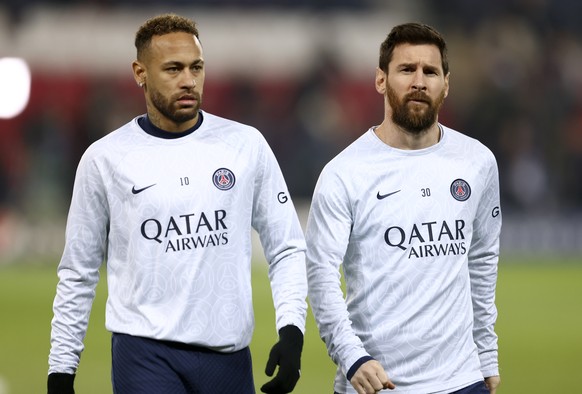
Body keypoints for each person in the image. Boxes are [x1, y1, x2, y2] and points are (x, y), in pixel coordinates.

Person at [47, 13, 307, 394]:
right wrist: (61, 371)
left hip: (229, 357)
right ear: (140, 72)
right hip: (144, 355)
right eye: (173, 69)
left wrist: (292, 330)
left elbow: (286, 245)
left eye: (196, 67)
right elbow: (78, 271)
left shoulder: (245, 145)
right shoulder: (105, 159)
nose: (188, 80)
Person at [306, 22, 502, 394]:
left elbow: (482, 259)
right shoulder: (344, 173)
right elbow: (320, 277)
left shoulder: (477, 162)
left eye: (430, 71)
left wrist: (487, 355)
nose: (419, 81)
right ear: (381, 80)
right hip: (378, 384)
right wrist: (352, 358)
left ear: (447, 83)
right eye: (406, 70)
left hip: (462, 381)